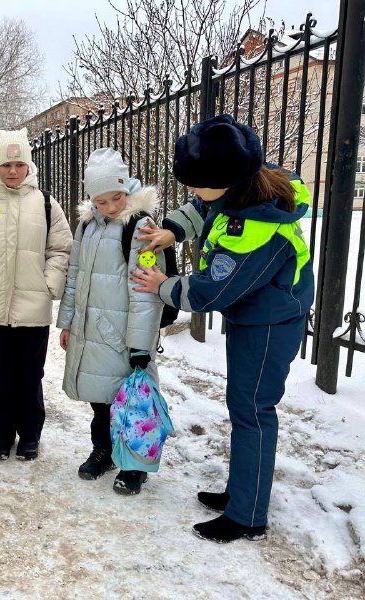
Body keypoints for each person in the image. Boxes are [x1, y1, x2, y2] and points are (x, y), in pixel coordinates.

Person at [132, 114, 314, 542]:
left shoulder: (254, 229)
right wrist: (171, 231)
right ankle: (241, 492)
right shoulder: (245, 183)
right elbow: (202, 208)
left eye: (196, 182)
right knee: (243, 406)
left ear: (224, 179)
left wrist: (163, 286)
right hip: (256, 314)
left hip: (269, 322)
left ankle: (247, 515)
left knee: (252, 411)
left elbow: (212, 291)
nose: (191, 191)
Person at [0, 129, 72, 461]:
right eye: (7, 164)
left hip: (34, 307)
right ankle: (2, 436)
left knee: (30, 376)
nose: (13, 171)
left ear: (29, 165)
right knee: (2, 375)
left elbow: (61, 248)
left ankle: (30, 434)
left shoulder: (47, 204)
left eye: (19, 164)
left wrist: (49, 285)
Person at [56, 147, 165, 494]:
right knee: (99, 399)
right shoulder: (87, 225)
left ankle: (135, 466)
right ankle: (103, 450)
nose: (110, 207)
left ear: (126, 190)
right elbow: (74, 276)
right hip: (92, 330)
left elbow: (146, 291)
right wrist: (68, 322)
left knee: (132, 400)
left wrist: (140, 344)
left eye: (116, 197)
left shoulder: (139, 225)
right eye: (101, 201)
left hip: (125, 334)